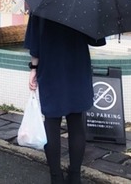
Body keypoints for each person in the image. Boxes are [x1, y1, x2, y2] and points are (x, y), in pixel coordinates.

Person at [24, 13, 105, 184]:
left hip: (51, 67)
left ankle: (56, 177)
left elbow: (34, 42)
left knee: (51, 122)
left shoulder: (42, 2)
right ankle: (75, 176)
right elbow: (96, 39)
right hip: (78, 66)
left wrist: (33, 68)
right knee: (76, 122)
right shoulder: (85, 3)